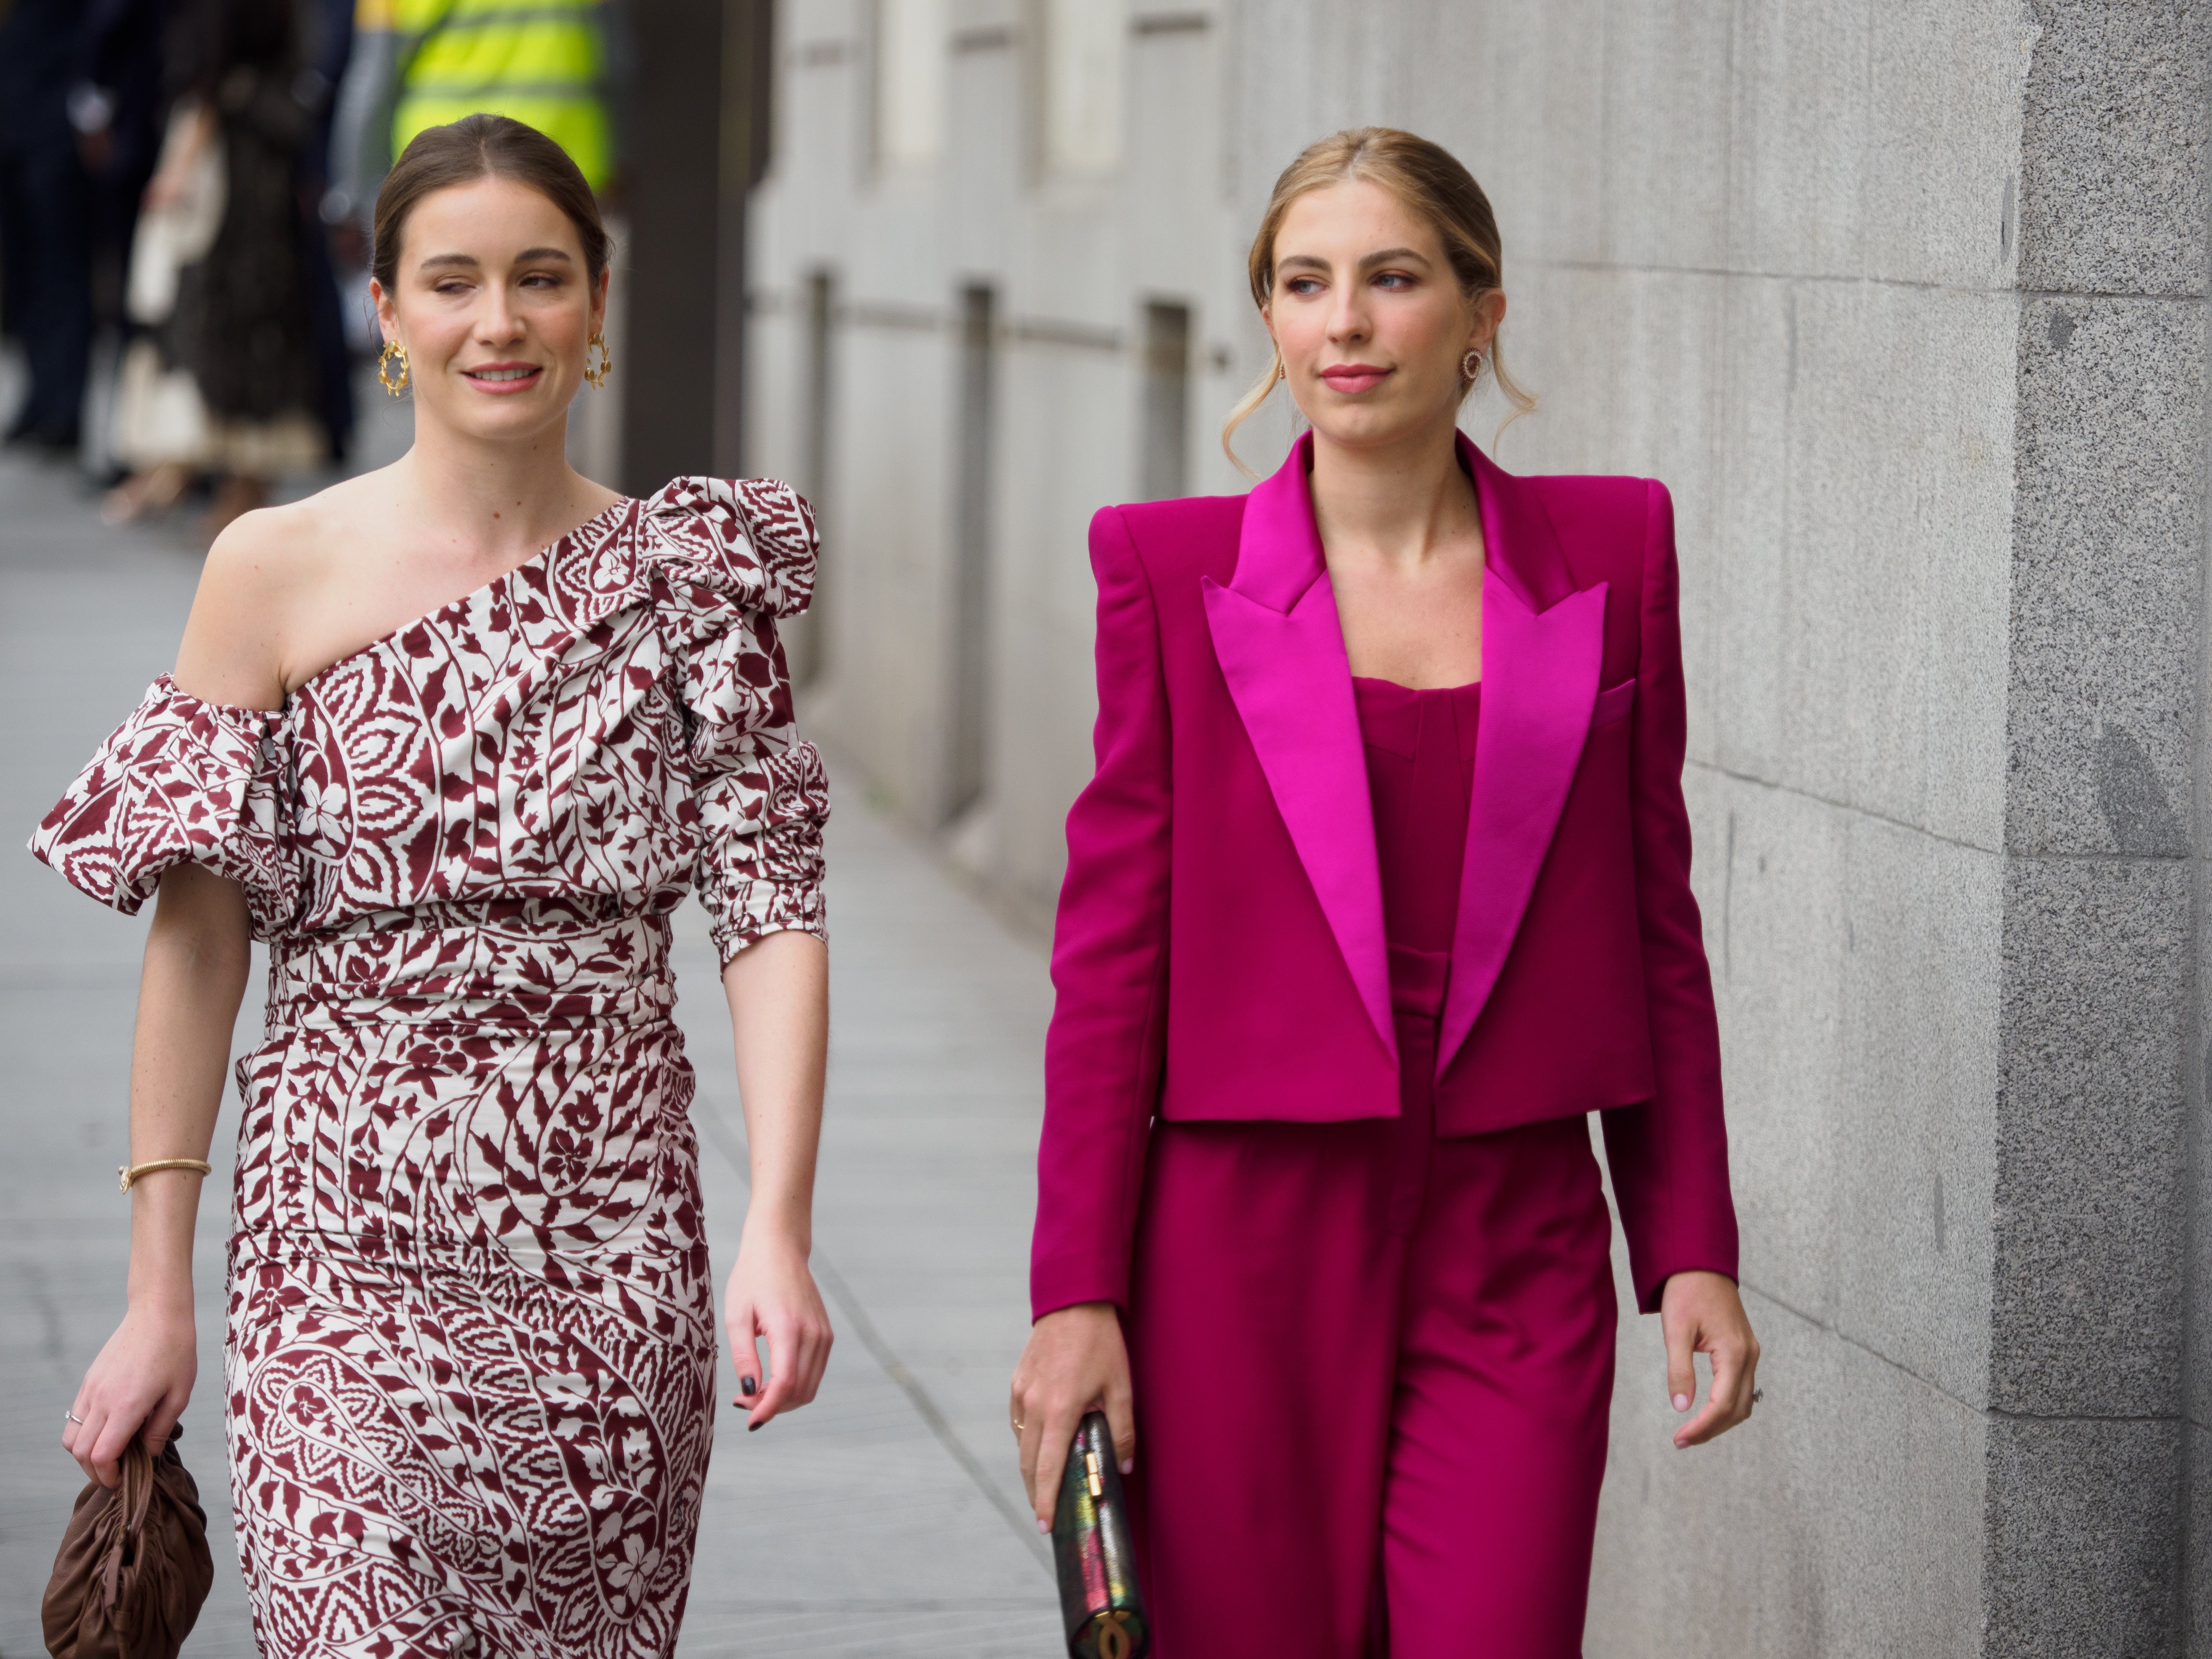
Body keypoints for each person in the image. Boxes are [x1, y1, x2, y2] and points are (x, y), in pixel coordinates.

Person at [35, 112, 833, 1653]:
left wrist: (780, 1228)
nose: (501, 321)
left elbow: (772, 909)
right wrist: (158, 1295)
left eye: (542, 277)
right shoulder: (269, 569)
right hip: (336, 1256)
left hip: (610, 1261)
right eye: (452, 282)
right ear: (388, 311)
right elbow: (199, 948)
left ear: (596, 302)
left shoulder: (692, 577)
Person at [1010, 127, 1761, 1657]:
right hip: (1241, 1243)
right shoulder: (1164, 574)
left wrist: (1688, 1244)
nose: (1344, 323)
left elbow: (1655, 925)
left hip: (1519, 1234)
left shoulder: (1614, 551)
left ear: (1483, 311)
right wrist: (1075, 1293)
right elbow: (1111, 969)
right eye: (1305, 284)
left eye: (1392, 279)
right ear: (1271, 319)